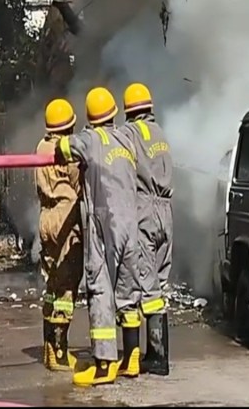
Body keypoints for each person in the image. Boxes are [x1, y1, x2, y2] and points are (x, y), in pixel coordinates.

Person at [54, 87, 140, 387]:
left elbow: (63, 148)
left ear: (90, 119)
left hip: (104, 222)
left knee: (100, 289)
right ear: (114, 114)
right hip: (132, 222)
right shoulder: (127, 137)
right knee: (129, 289)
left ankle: (105, 365)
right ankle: (132, 356)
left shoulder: (90, 139)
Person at [119, 83, 174, 376]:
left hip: (146, 209)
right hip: (167, 210)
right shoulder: (160, 132)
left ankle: (155, 357)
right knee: (161, 283)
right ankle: (160, 353)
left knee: (145, 283)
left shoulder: (130, 133)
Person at [35, 99, 84, 372]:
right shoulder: (69, 150)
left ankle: (46, 346)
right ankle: (60, 350)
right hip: (66, 217)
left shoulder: (40, 147)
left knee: (52, 284)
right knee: (66, 286)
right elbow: (79, 183)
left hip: (45, 217)